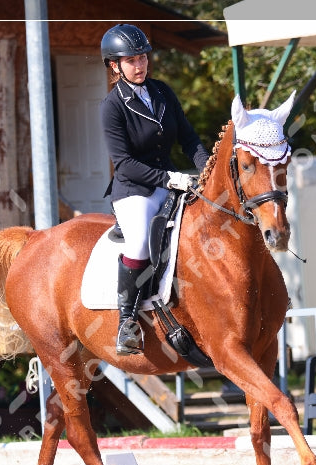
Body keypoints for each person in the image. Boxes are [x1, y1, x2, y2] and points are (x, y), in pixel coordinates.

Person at [99, 23, 210, 355]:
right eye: (131, 60)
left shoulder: (162, 91)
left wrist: (208, 169)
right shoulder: (112, 107)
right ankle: (127, 323)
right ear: (114, 65)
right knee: (139, 243)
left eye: (143, 57)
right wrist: (168, 179)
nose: (140, 64)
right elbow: (125, 163)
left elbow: (189, 139)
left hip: (172, 182)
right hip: (135, 190)